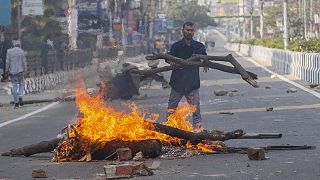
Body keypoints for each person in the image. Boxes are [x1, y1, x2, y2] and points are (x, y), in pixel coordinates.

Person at [166, 21, 208, 133]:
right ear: (183, 31)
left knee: (196, 112)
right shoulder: (176, 46)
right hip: (177, 85)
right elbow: (168, 56)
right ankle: (169, 132)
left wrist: (204, 61)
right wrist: (171, 61)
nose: (189, 32)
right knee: (171, 111)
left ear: (194, 32)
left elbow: (204, 56)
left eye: (191, 30)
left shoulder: (199, 46)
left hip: (192, 85)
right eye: (187, 30)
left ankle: (197, 132)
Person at [6, 40, 27, 109]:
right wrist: (26, 71)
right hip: (20, 71)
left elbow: (7, 62)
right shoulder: (21, 51)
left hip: (12, 72)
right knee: (21, 84)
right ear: (19, 45)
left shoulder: (9, 51)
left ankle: (16, 103)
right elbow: (24, 62)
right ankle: (20, 96)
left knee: (14, 85)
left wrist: (6, 70)